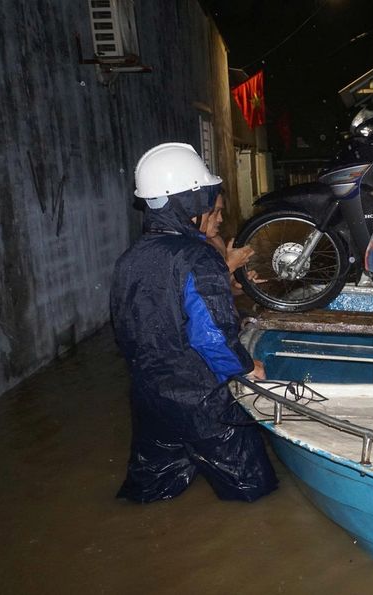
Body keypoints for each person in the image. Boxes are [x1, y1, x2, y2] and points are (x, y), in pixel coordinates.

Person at [110, 142, 278, 502]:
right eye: (208, 203)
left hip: (148, 398)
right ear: (188, 204)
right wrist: (246, 367)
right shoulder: (198, 258)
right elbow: (211, 337)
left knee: (149, 491)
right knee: (254, 491)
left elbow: (126, 331)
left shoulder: (129, 259)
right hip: (202, 404)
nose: (215, 214)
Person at [198, 192, 256, 293]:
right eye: (215, 212)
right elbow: (197, 291)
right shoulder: (186, 247)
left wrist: (240, 283)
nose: (220, 219)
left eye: (221, 212)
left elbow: (224, 290)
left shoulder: (217, 241)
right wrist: (229, 265)